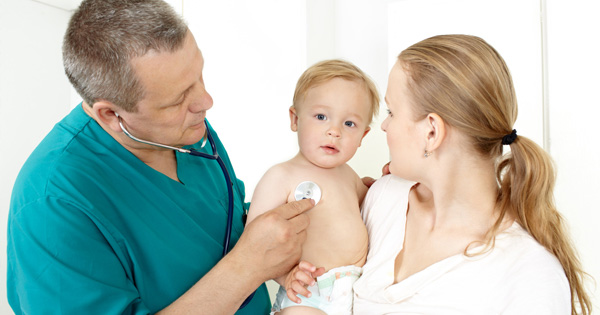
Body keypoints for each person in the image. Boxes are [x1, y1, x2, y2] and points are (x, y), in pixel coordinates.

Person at [6, 0, 316, 314]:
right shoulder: (53, 204)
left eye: (199, 77)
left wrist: (343, 193)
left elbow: (218, 223)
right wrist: (246, 268)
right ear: (111, 114)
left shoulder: (184, 130)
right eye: (177, 99)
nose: (205, 101)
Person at [352, 34, 592, 315]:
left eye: (392, 111)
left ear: (432, 131)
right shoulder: (384, 199)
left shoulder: (528, 275)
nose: (383, 126)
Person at [245, 59, 380, 314]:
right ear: (295, 119)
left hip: (354, 295)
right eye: (321, 117)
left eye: (349, 124)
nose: (334, 131)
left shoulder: (350, 177)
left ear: (363, 136)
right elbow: (255, 242)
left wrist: (384, 183)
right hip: (307, 295)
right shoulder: (281, 176)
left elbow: (372, 207)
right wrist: (286, 276)